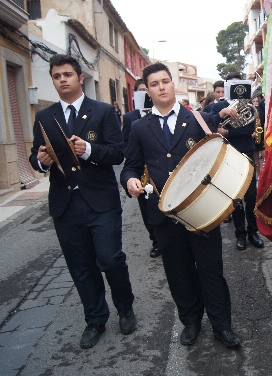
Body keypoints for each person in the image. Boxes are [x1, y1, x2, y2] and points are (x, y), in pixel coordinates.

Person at [120, 62, 242, 348]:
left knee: (211, 270)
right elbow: (131, 166)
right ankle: (190, 321)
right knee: (178, 271)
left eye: (165, 81)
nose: (161, 87)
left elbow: (219, 154)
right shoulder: (139, 127)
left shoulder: (198, 119)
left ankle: (222, 325)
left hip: (201, 210)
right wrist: (130, 181)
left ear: (173, 84)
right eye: (155, 84)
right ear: (148, 91)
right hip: (164, 214)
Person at [29, 54, 136, 349]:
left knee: (110, 258)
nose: (62, 80)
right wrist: (41, 163)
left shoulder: (102, 112)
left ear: (80, 78)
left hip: (101, 202)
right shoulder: (44, 117)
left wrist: (88, 149)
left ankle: (125, 307)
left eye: (67, 74)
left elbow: (117, 154)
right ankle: (95, 319)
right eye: (56, 76)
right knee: (80, 265)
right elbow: (34, 156)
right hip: (65, 205)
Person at [211, 72, 264, 251]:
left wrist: (226, 131)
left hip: (247, 153)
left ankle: (253, 232)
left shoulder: (248, 105)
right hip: (228, 154)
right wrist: (221, 115)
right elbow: (211, 128)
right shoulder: (218, 107)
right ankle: (240, 234)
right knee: (235, 197)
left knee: (251, 196)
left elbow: (249, 128)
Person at [122, 79, 160, 258]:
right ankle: (155, 240)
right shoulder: (130, 117)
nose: (145, 93)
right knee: (146, 207)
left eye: (147, 89)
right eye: (141, 91)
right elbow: (124, 143)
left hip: (157, 167)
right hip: (141, 170)